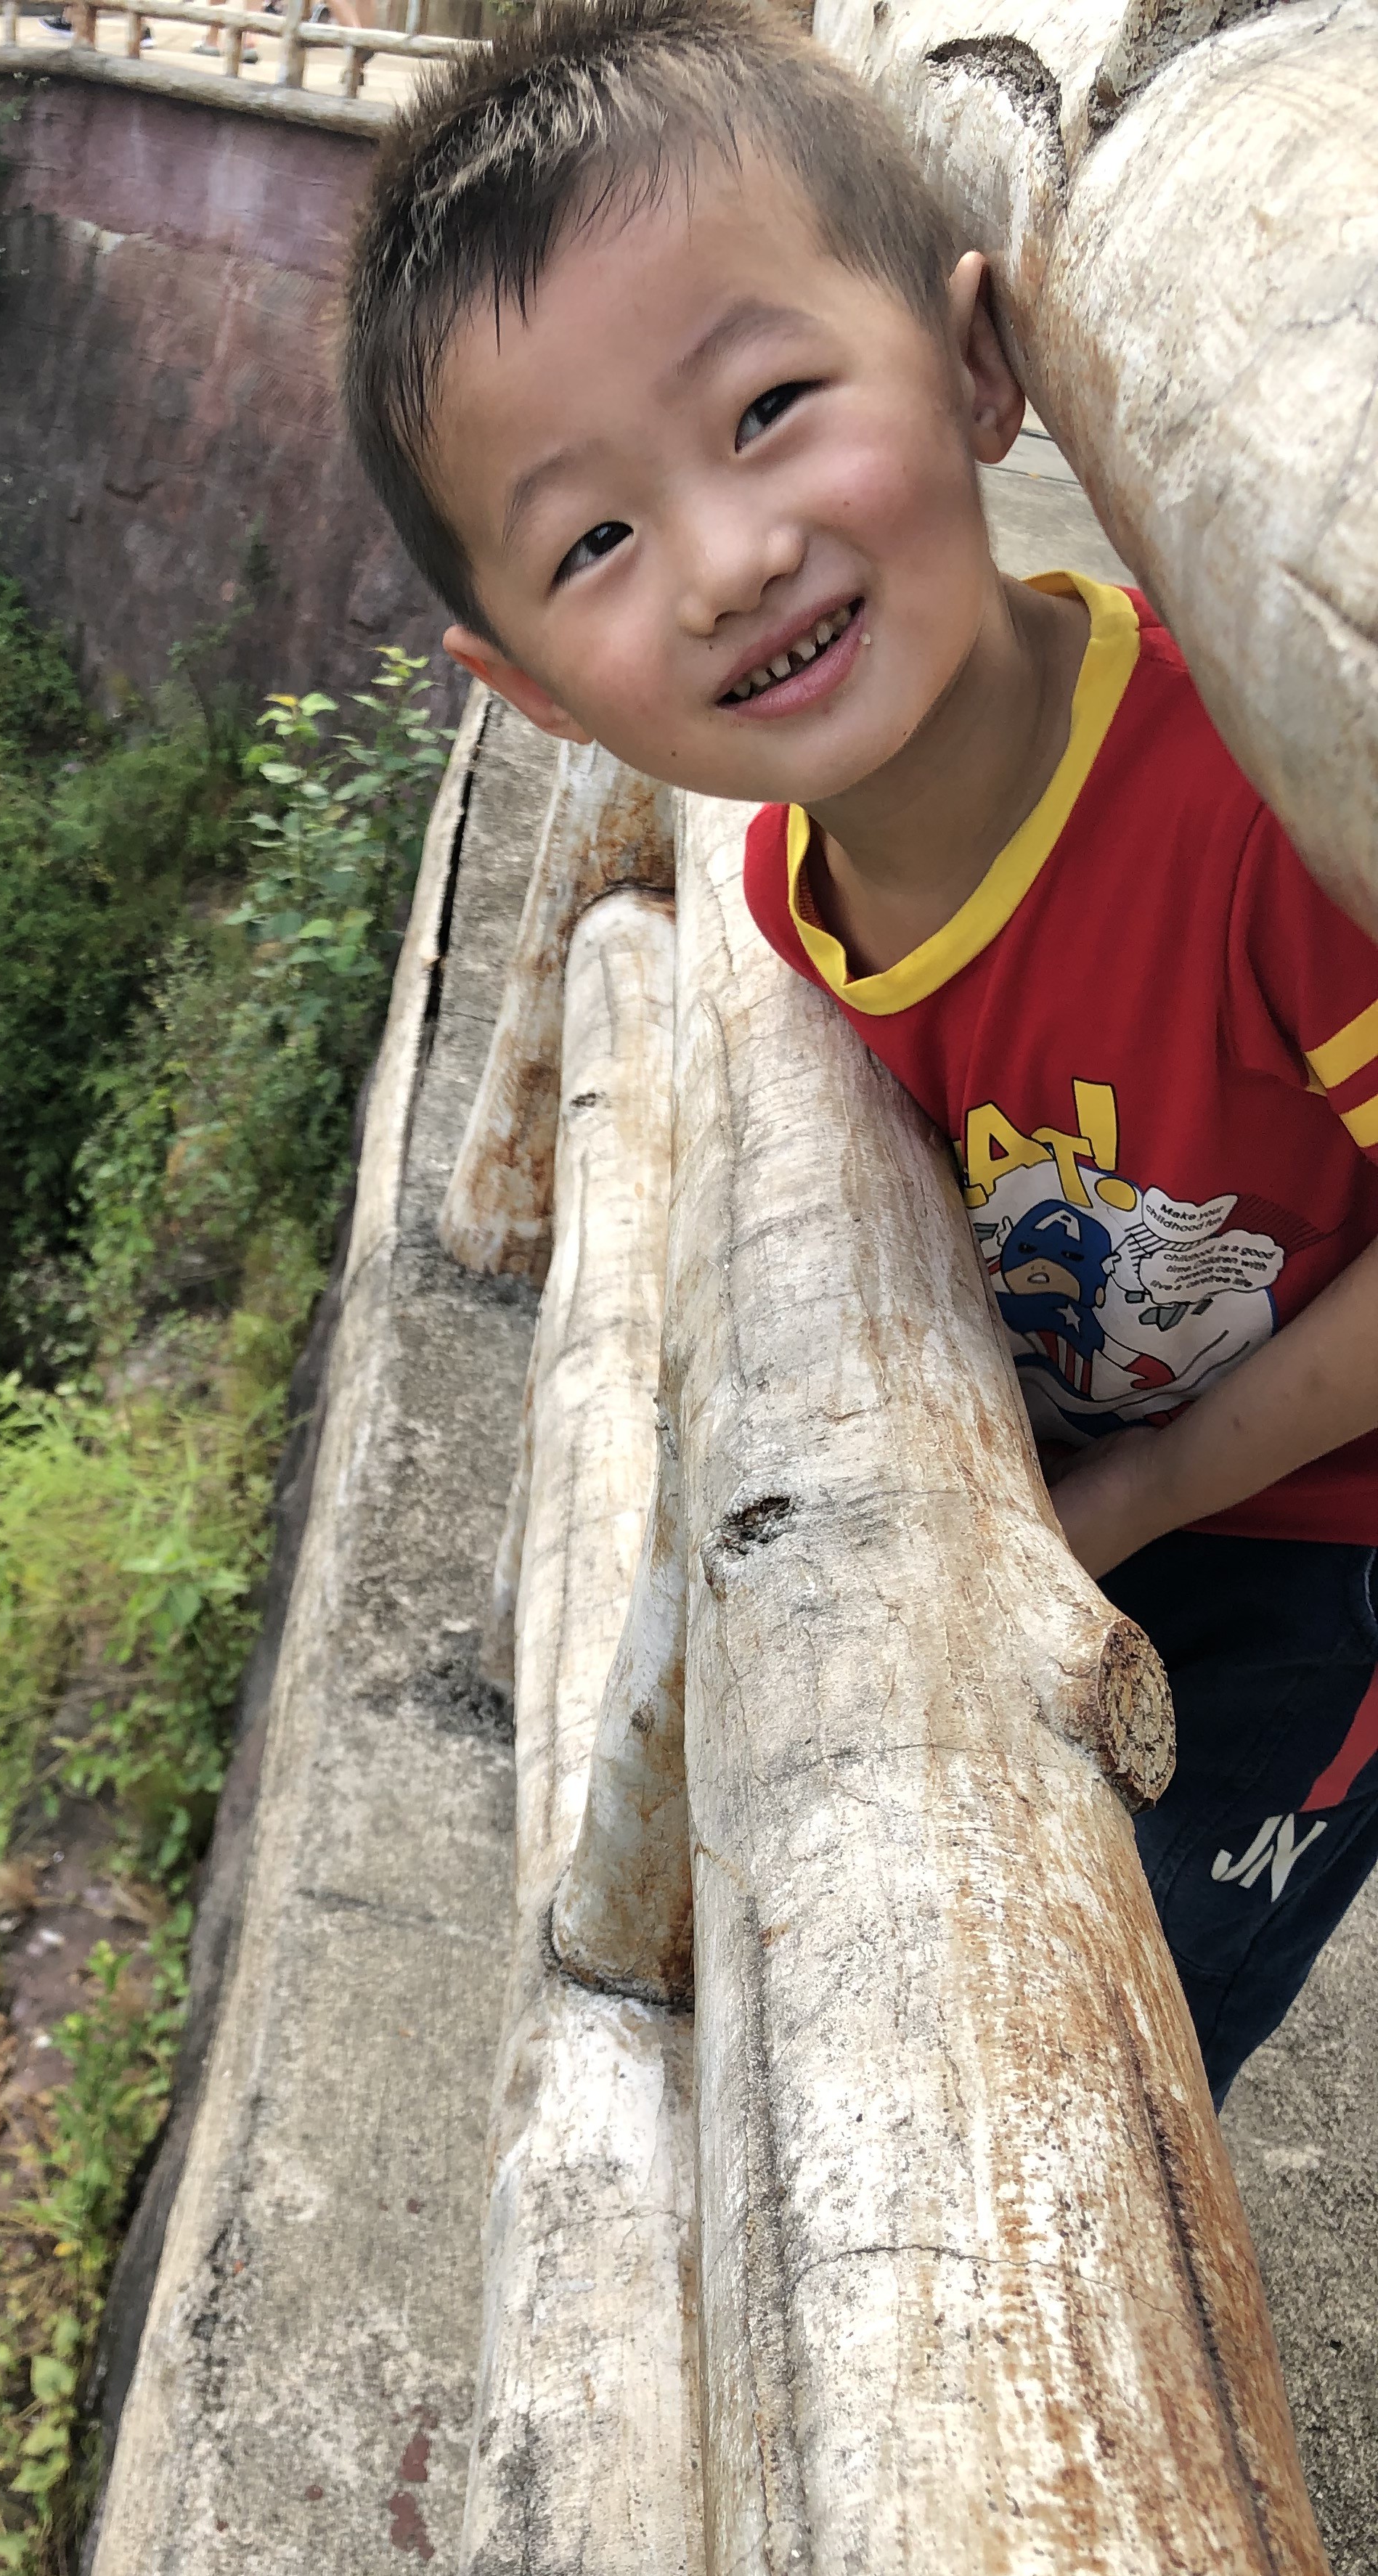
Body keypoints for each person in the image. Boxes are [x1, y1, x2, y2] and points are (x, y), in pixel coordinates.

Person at [341, 0, 1378, 2103]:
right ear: (528, 687)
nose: (732, 561)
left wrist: (1143, 1492)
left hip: (1321, 1559)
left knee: (1113, 2045)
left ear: (981, 364)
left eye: (773, 406)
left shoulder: (1244, 829)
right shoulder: (790, 896)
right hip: (1102, 1483)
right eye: (595, 544)